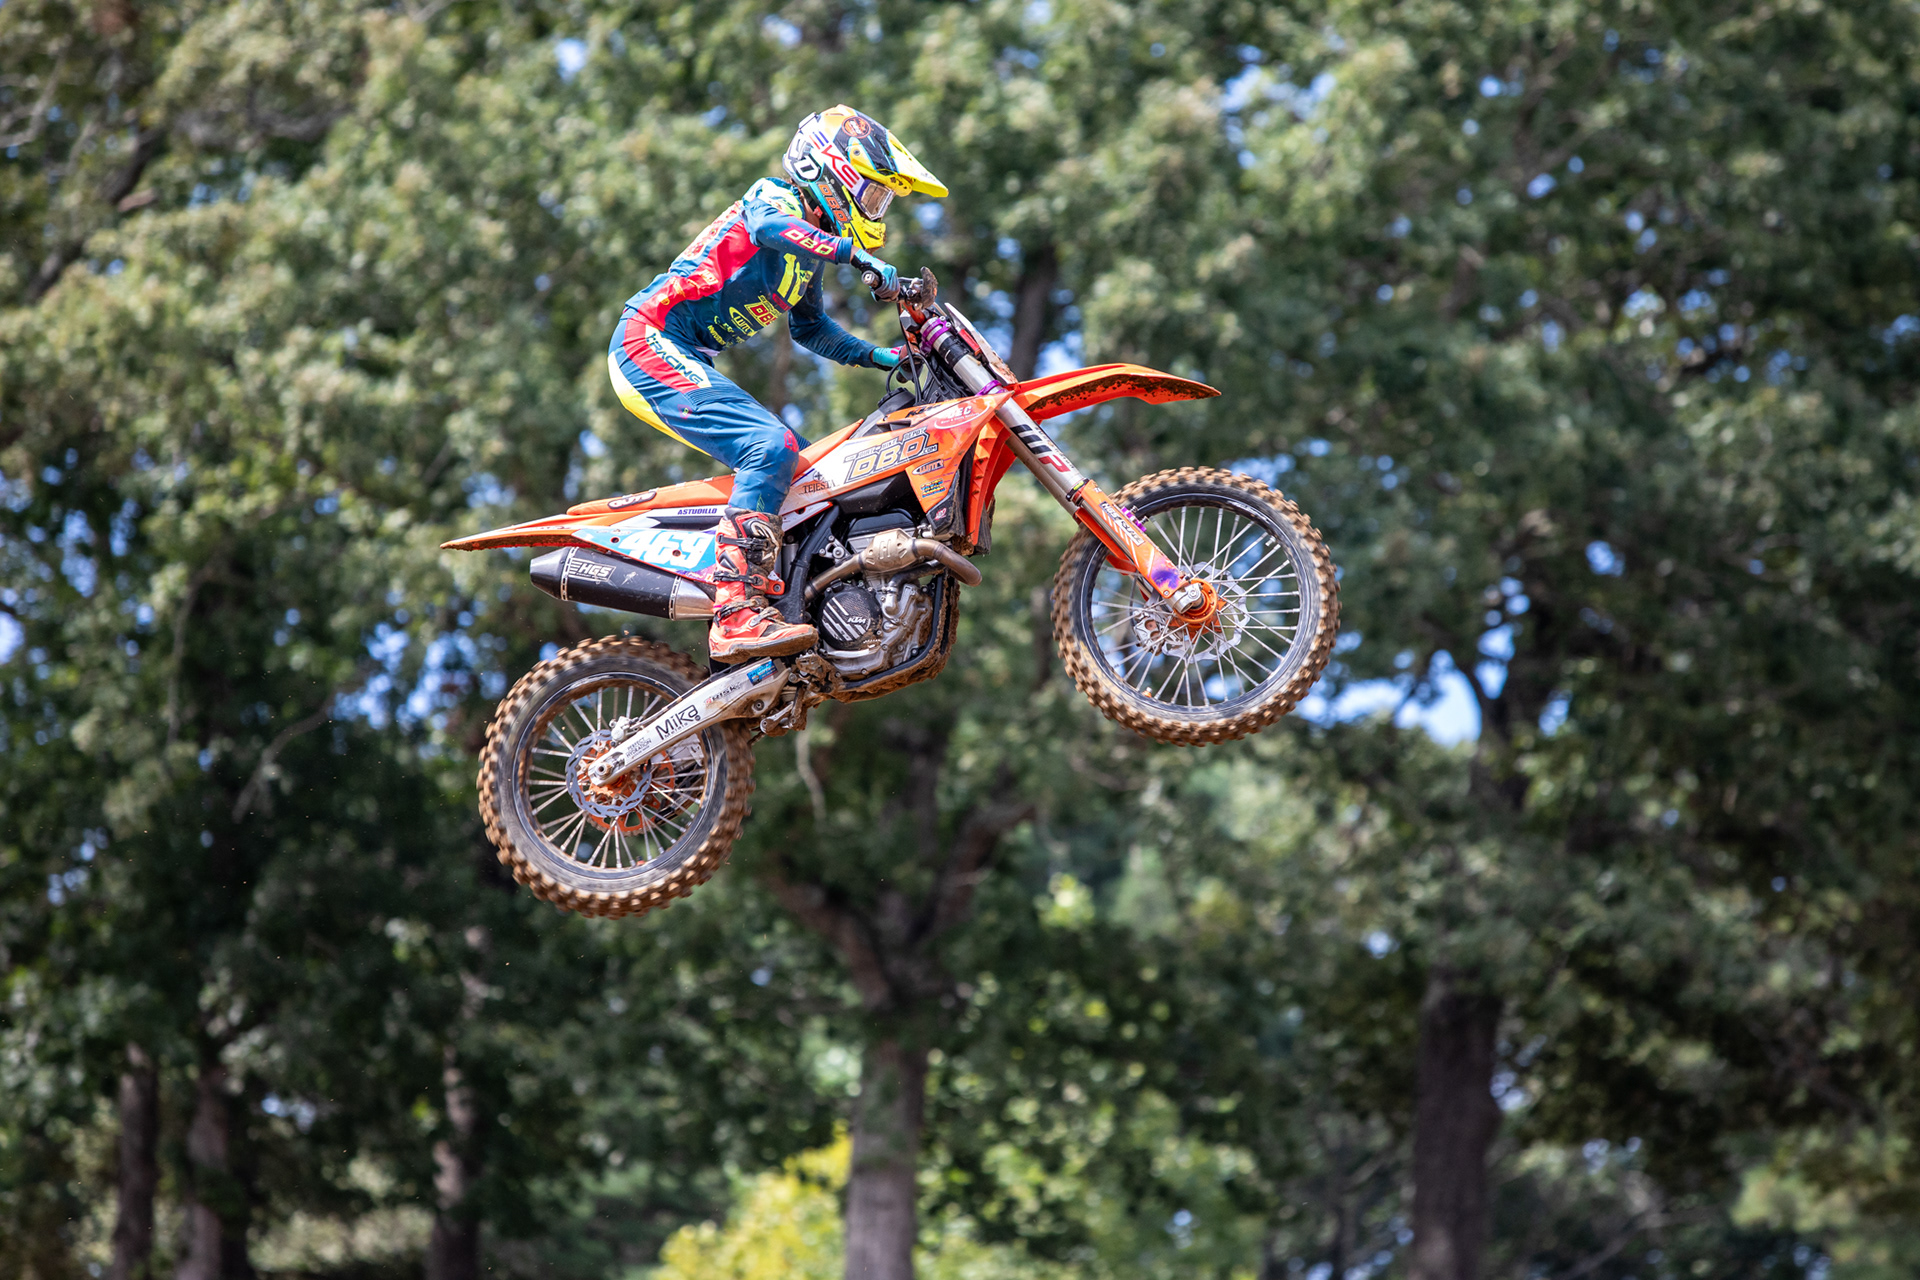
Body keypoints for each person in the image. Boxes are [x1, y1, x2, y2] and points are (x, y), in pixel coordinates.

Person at [606, 105, 947, 661]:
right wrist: (853, 254)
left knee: (811, 472)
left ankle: (794, 605)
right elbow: (769, 229)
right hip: (648, 340)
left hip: (682, 354)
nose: (876, 210)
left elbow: (810, 328)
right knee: (770, 446)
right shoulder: (774, 199)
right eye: (873, 194)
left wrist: (882, 356)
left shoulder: (807, 254)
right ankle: (734, 612)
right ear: (832, 172)